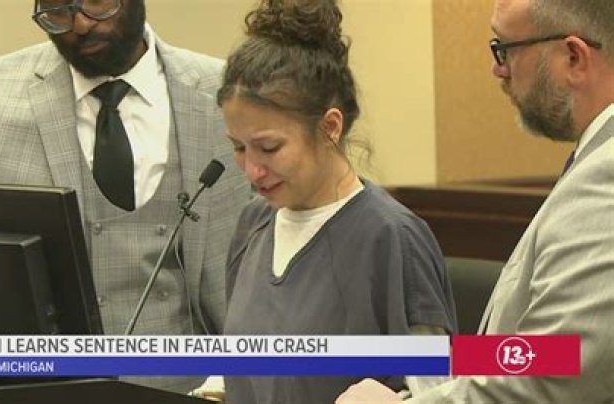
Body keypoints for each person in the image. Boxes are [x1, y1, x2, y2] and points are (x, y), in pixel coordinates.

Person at [0, 0, 249, 393]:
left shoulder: (228, 92)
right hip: (38, 387)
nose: (81, 24)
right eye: (58, 10)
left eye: (97, 2)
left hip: (204, 383)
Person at [337, 0, 614, 402]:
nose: (497, 70)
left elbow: (556, 369)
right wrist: (427, 374)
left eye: (505, 49)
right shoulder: (594, 158)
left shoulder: (606, 175)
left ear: (574, 57)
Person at [190, 0, 457, 402]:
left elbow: (437, 390)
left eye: (269, 147)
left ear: (330, 127)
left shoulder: (393, 237)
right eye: (239, 148)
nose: (252, 171)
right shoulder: (253, 224)